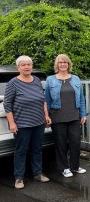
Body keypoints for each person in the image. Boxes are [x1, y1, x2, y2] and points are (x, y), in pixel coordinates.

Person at [4, 55, 51, 189]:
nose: (26, 67)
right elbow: (7, 104)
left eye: (29, 64)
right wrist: (12, 123)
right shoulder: (13, 83)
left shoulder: (36, 80)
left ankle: (37, 173)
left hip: (39, 122)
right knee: (21, 150)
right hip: (22, 124)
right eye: (23, 65)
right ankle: (19, 178)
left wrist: (46, 115)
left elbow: (43, 100)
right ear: (18, 67)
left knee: (37, 149)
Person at [45, 54, 87, 178]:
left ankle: (75, 166)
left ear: (68, 64)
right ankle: (64, 167)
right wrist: (47, 115)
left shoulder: (76, 78)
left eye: (65, 62)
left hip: (74, 115)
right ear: (57, 65)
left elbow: (81, 98)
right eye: (60, 62)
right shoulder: (50, 80)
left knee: (75, 142)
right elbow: (46, 99)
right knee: (61, 143)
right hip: (57, 116)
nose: (63, 64)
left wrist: (83, 114)